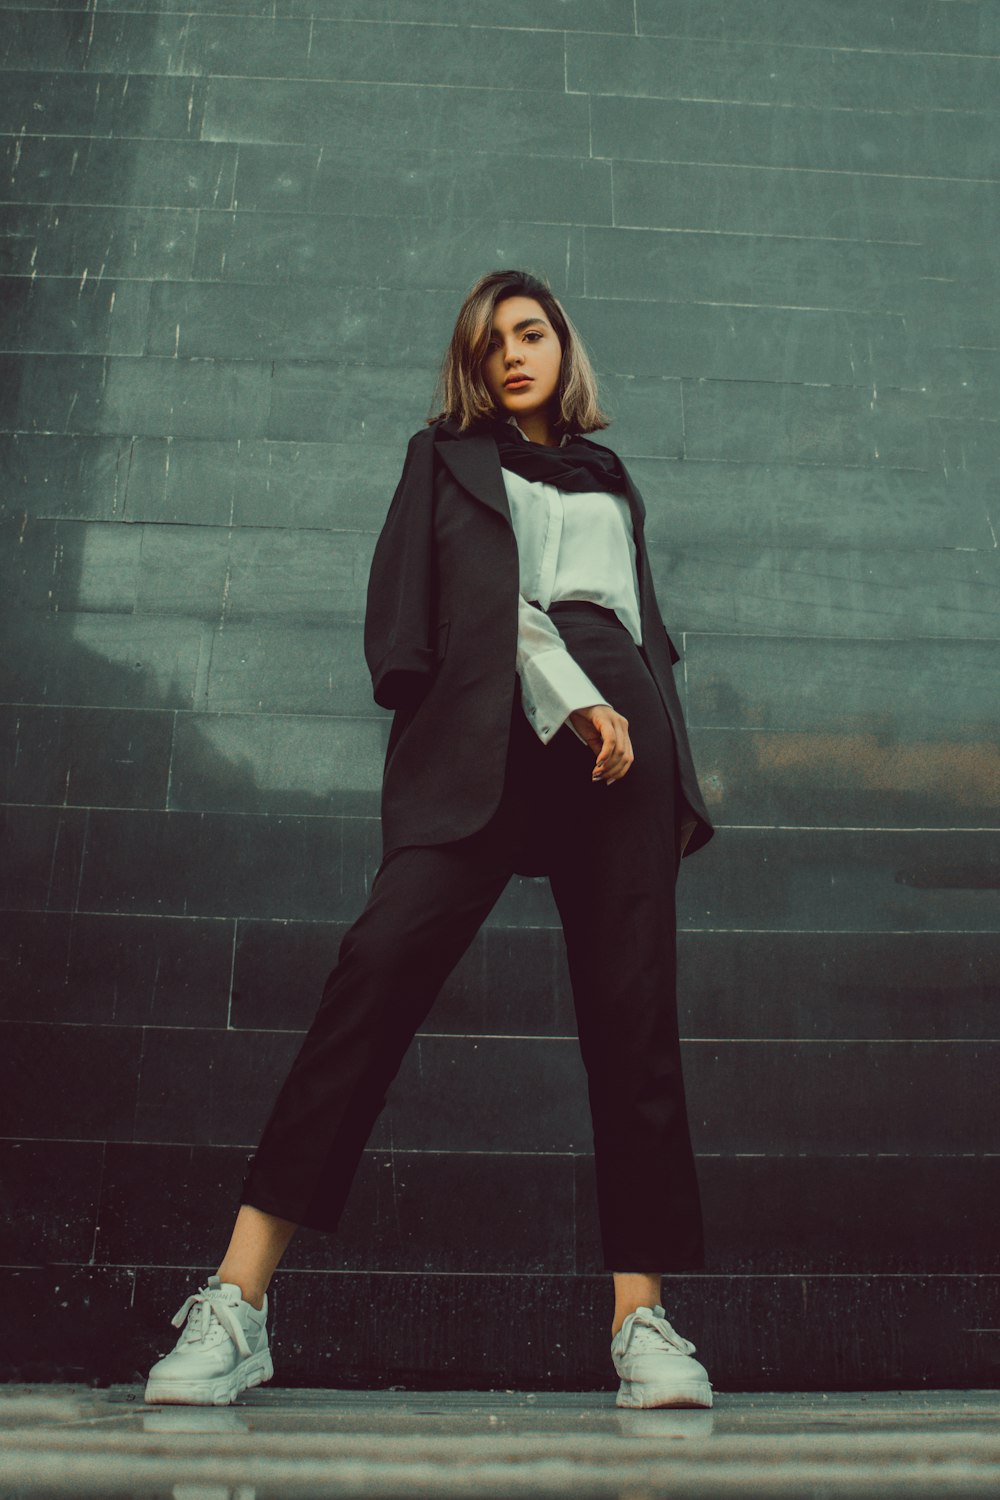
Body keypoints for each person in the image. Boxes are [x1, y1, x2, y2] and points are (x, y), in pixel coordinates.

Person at [143, 269, 717, 1411]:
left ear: (563, 345)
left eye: (531, 332)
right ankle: (238, 1304)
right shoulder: (446, 460)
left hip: (620, 741)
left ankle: (642, 1319)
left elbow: (631, 622)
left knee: (633, 1013)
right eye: (489, 341)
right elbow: (477, 606)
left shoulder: (609, 476)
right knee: (372, 980)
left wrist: (634, 718)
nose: (512, 353)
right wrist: (570, 696)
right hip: (485, 727)